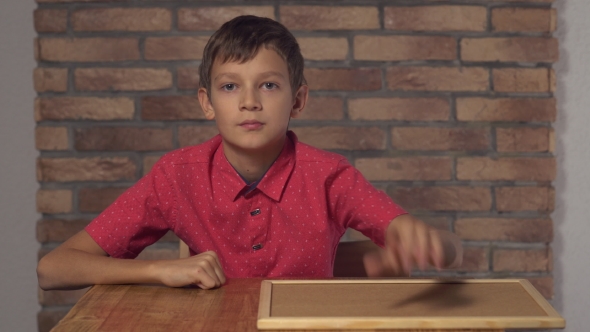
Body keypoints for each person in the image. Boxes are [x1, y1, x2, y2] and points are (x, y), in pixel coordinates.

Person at [37, 15, 463, 291]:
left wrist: (431, 243)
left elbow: (444, 250)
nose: (249, 102)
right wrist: (159, 269)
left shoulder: (330, 175)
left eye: (269, 85)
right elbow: (54, 268)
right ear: (207, 103)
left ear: (297, 101)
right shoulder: (176, 176)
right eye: (229, 86)